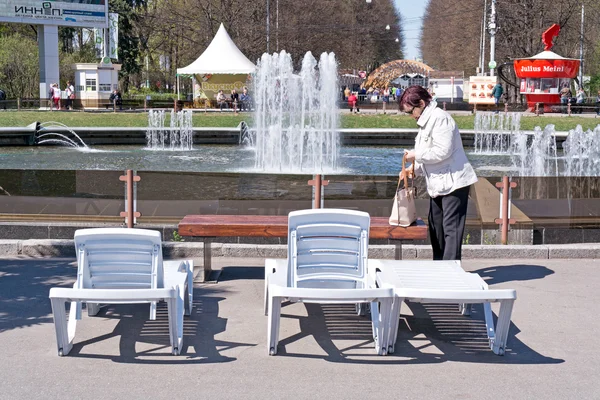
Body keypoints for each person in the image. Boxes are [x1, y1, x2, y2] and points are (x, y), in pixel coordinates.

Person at [399, 85, 478, 260]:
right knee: (436, 229)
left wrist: (415, 155)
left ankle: (450, 274)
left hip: (454, 183)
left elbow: (443, 151)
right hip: (440, 183)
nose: (411, 116)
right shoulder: (427, 121)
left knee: (451, 231)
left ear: (421, 103)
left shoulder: (440, 118)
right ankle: (440, 268)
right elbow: (430, 153)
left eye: (411, 111)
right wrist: (413, 169)